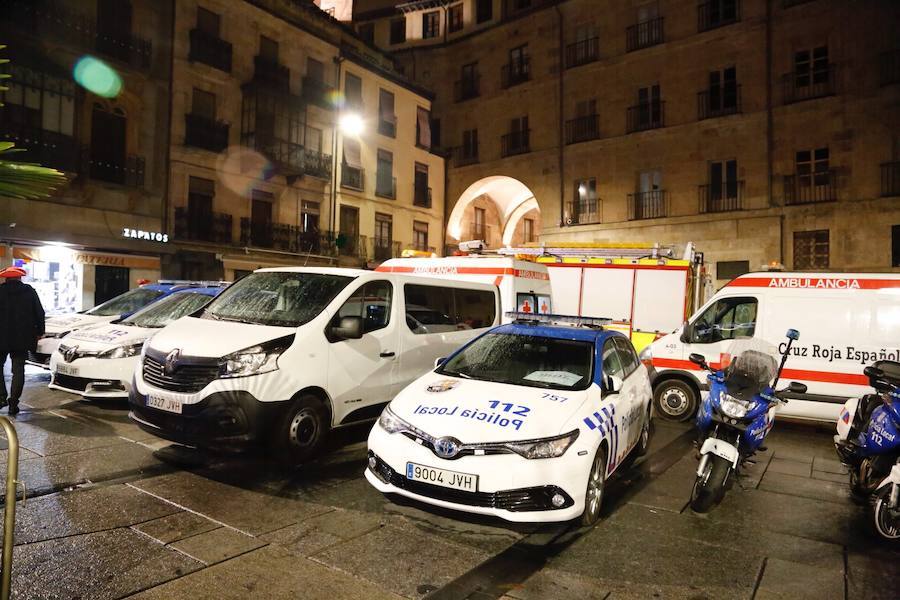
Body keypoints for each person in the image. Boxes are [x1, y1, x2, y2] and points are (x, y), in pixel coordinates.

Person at [0, 266, 46, 415]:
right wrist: (40, 332)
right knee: (18, 370)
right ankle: (13, 403)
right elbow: (39, 312)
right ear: (20, 278)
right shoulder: (29, 291)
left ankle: (1, 397)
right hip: (22, 337)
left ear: (6, 278)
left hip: (1, 337)